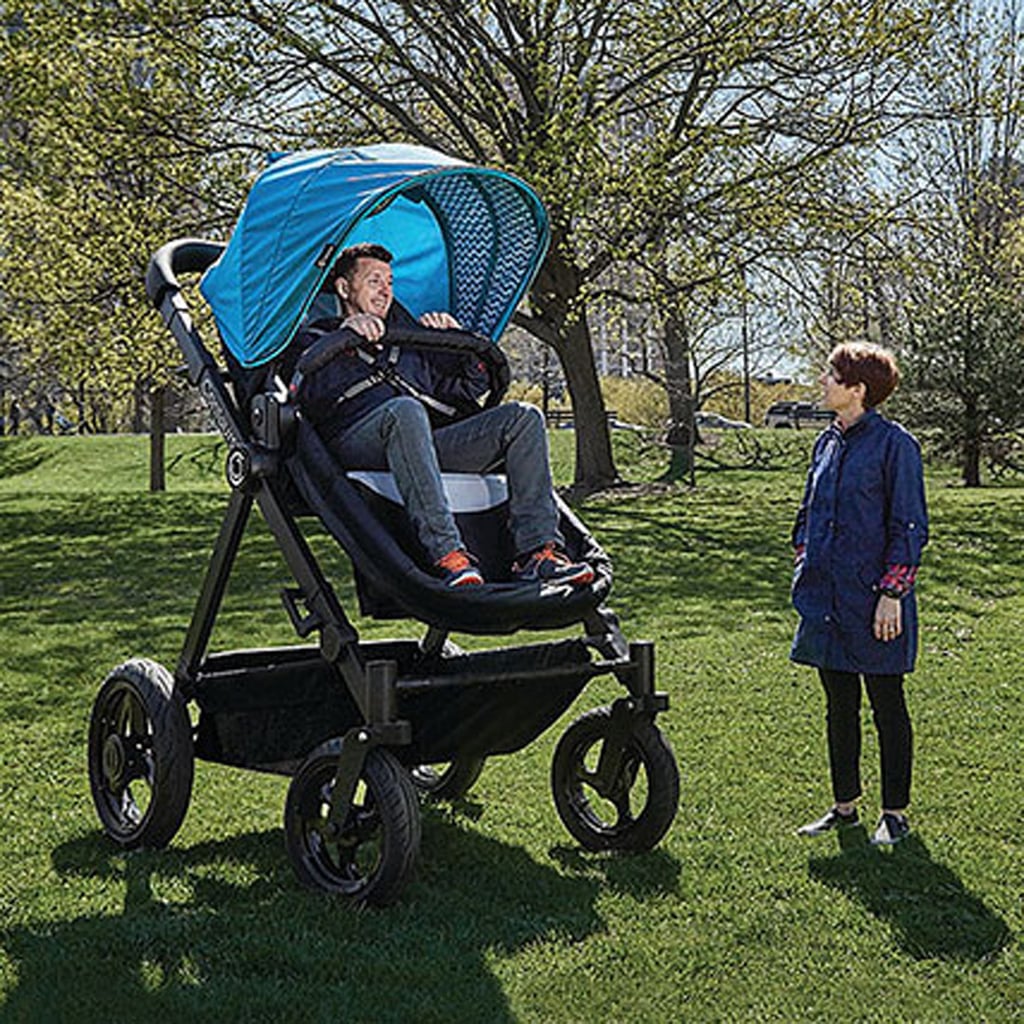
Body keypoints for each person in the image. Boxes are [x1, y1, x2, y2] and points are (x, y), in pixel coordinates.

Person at [289, 242, 594, 590]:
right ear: (344, 288)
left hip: (419, 439)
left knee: (523, 418)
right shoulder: (315, 338)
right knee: (404, 410)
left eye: (390, 281)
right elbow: (307, 396)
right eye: (374, 281)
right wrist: (346, 336)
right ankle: (448, 555)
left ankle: (539, 554)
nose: (386, 290)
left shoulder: (407, 342)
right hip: (354, 440)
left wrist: (452, 340)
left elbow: (466, 388)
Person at [790, 342, 928, 846]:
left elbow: (909, 526)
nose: (823, 381)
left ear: (858, 389)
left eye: (832, 375)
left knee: (887, 703)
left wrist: (893, 593)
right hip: (826, 600)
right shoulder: (825, 442)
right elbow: (807, 512)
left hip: (875, 602)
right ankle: (844, 806)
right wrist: (803, 556)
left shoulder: (896, 445)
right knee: (838, 704)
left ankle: (894, 815)